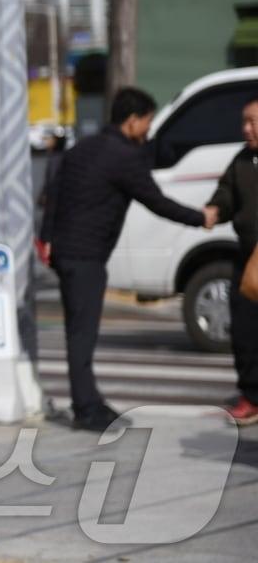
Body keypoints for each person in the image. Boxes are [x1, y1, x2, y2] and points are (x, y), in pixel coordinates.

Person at [40, 87, 210, 432]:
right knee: (82, 334)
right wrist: (200, 218)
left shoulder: (82, 148)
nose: (148, 130)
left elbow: (51, 194)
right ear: (132, 121)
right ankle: (85, 409)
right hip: (85, 256)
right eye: (146, 122)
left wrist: (45, 239)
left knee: (80, 331)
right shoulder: (124, 157)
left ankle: (90, 400)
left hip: (67, 252)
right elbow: (156, 201)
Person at [204, 95, 258, 425]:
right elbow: (225, 194)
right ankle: (251, 395)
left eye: (253, 122)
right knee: (244, 330)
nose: (246, 129)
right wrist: (215, 209)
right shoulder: (241, 162)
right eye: (244, 122)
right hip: (248, 259)